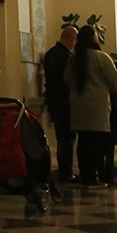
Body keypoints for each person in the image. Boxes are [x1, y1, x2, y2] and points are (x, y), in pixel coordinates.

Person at [64, 25, 117, 186]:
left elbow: (67, 80)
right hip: (98, 106)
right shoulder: (102, 57)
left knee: (83, 142)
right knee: (97, 144)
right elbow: (113, 82)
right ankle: (94, 177)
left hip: (78, 106)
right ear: (94, 38)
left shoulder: (73, 59)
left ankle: (86, 176)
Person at [43, 25, 78, 182]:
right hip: (66, 103)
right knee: (67, 140)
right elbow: (69, 81)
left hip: (54, 102)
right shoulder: (67, 57)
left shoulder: (50, 54)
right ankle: (66, 172)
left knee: (61, 138)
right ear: (72, 39)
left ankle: (65, 171)